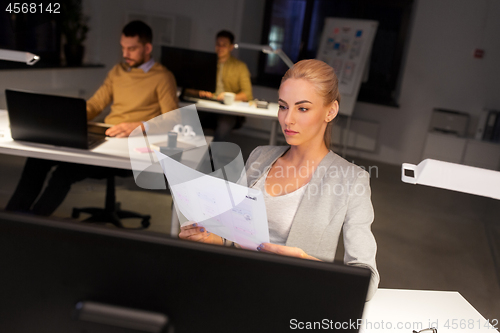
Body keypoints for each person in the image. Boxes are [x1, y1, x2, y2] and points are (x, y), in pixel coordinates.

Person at [179, 59, 379, 300]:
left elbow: (366, 280)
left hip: (292, 299)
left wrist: (305, 262)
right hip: (235, 285)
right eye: (283, 106)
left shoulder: (352, 180)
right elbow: (234, 236)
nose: (288, 119)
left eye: (302, 108)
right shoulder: (259, 156)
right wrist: (212, 239)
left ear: (331, 111)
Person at [5, 20, 178, 216]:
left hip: (130, 146)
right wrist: (65, 118)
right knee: (37, 159)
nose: (125, 54)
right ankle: (12, 218)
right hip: (106, 135)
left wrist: (139, 126)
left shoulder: (163, 77)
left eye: (132, 49)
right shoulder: (118, 71)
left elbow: (172, 119)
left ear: (147, 48)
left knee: (64, 173)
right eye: (123, 48)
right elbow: (96, 104)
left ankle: (35, 223)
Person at [197, 30, 253, 141]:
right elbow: (194, 87)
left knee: (223, 127)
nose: (220, 48)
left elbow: (247, 94)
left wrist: (228, 96)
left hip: (228, 110)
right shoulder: (206, 64)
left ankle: (213, 157)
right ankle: (193, 156)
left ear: (231, 47)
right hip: (208, 106)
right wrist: (200, 92)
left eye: (224, 45)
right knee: (189, 121)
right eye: (218, 44)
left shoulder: (240, 67)